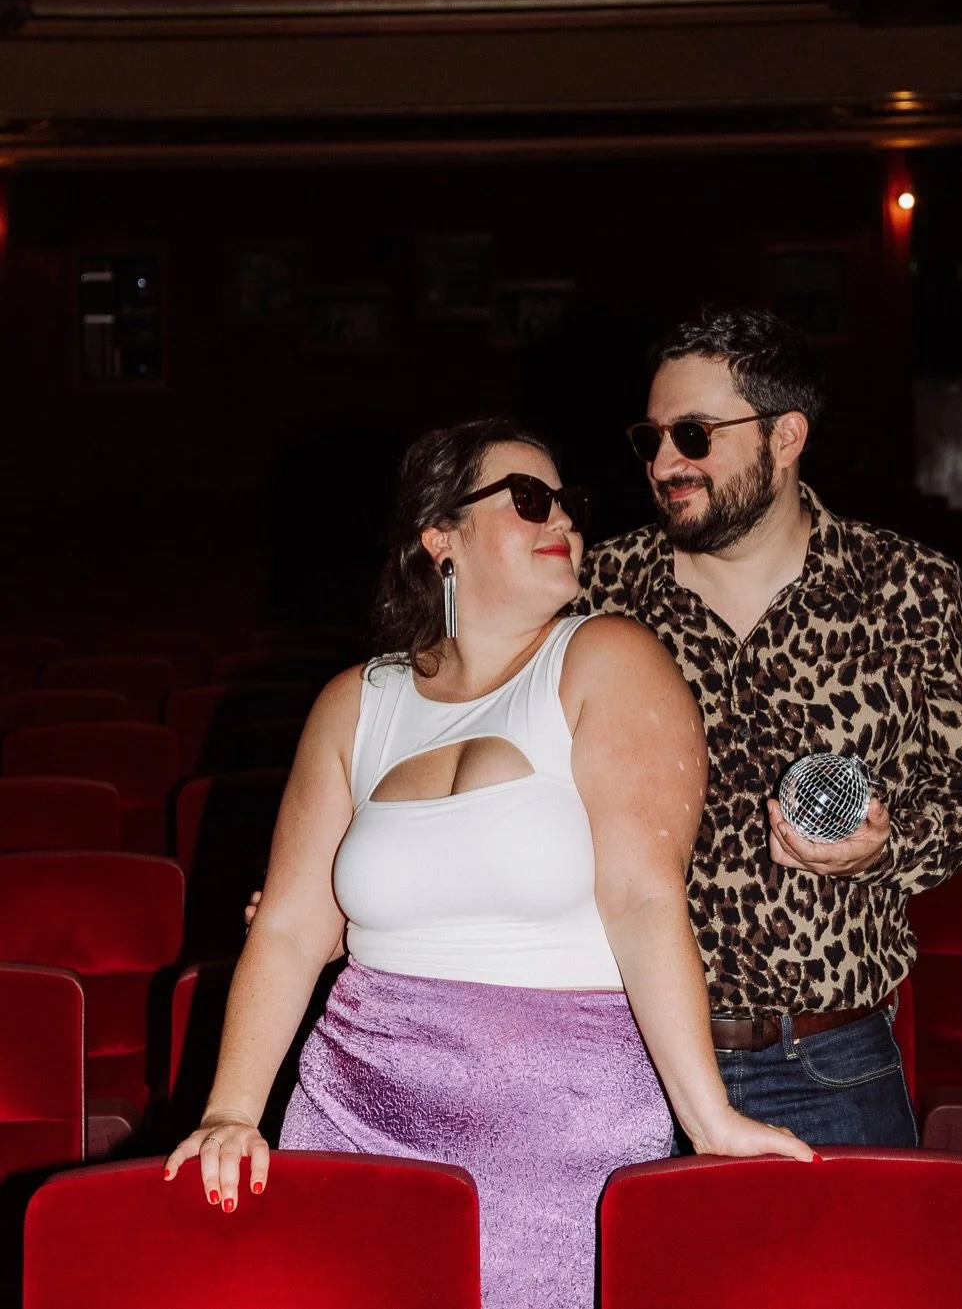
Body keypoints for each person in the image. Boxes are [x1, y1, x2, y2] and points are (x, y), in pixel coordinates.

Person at [165, 416, 812, 1309]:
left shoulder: (606, 657)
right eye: (529, 500)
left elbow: (642, 898)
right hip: (356, 1101)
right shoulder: (358, 700)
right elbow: (287, 926)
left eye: (568, 504)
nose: (564, 522)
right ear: (442, 537)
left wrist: (707, 1117)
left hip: (561, 1122)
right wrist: (230, 1111)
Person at [575, 305, 962, 1148]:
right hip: (625, 1054)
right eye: (651, 438)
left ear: (785, 436)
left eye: (694, 434)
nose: (664, 462)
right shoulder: (597, 590)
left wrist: (885, 847)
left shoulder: (908, 588)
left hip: (831, 1056)